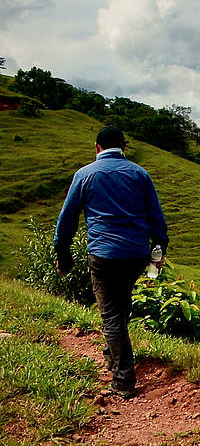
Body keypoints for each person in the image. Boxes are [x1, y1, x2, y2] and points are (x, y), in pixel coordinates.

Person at [54, 126, 168, 398]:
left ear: (96, 147)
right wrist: (158, 252)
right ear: (124, 147)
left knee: (112, 316)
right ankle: (111, 355)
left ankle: (123, 379)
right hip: (135, 255)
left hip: (103, 255)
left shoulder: (85, 175)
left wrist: (63, 254)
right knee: (121, 306)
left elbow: (67, 219)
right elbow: (157, 219)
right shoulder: (140, 174)